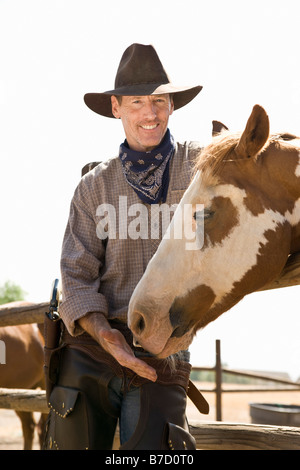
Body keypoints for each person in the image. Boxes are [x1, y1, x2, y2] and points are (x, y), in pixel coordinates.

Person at [43, 43, 204, 450]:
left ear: (171, 107)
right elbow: (76, 279)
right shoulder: (93, 187)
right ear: (116, 108)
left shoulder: (201, 170)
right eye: (137, 102)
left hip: (164, 353)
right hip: (93, 347)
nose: (150, 114)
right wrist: (108, 338)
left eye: (159, 101)